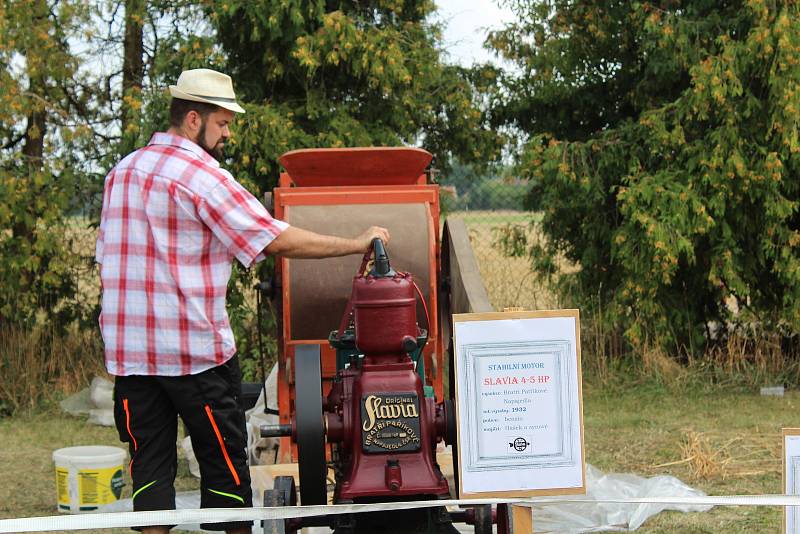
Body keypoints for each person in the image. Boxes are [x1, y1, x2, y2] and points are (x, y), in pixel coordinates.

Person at [96, 68, 389, 534]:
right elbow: (273, 239)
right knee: (224, 471)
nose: (228, 133)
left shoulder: (122, 172)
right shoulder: (202, 177)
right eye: (224, 122)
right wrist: (355, 243)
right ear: (194, 120)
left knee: (148, 468)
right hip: (195, 356)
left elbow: (106, 259)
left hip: (131, 358)